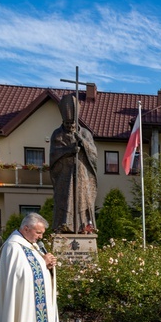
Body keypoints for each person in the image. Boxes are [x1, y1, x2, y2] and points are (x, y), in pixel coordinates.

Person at [49, 94, 98, 233]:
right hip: (65, 175)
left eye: (72, 123)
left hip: (82, 174)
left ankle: (85, 227)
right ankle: (64, 226)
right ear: (63, 121)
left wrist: (83, 143)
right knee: (65, 199)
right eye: (67, 123)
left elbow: (94, 154)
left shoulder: (86, 134)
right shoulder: (57, 135)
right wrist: (68, 149)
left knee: (84, 199)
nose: (70, 126)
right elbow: (53, 154)